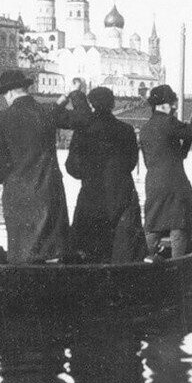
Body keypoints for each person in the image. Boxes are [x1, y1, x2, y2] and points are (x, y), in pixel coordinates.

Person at [0, 71, 89, 264]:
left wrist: (1, 176)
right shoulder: (47, 112)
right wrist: (76, 94)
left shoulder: (1, 118)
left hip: (18, 197)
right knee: (51, 249)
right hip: (48, 192)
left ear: (8, 93)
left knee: (22, 252)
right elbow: (83, 120)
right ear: (26, 89)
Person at [65, 86, 146, 263]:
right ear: (112, 104)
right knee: (124, 251)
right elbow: (131, 163)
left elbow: (72, 167)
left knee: (88, 251)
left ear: (91, 105)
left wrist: (88, 173)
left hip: (91, 196)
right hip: (122, 196)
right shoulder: (126, 130)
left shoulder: (82, 131)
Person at [138, 84, 192, 259]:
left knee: (154, 226)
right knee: (179, 227)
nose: (173, 107)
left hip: (154, 183)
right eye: (172, 103)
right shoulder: (168, 122)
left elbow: (179, 153)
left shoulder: (146, 128)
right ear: (164, 104)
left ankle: (143, 262)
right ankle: (178, 264)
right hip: (175, 183)